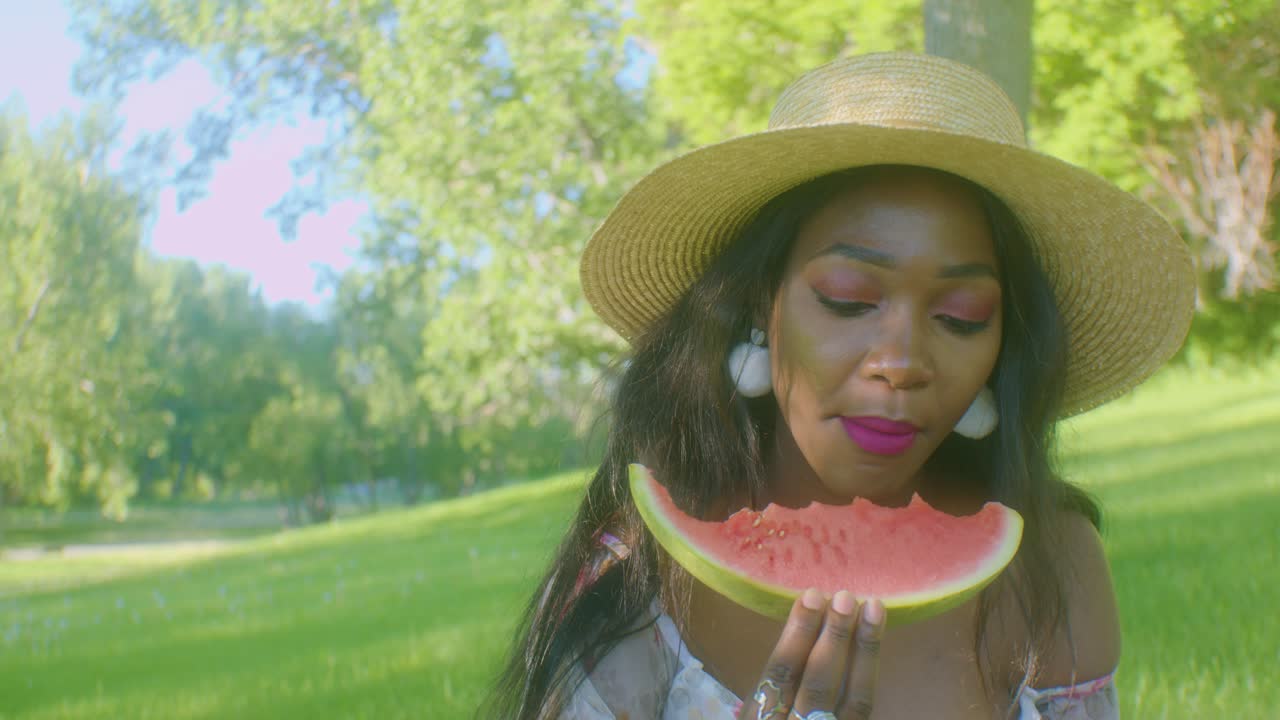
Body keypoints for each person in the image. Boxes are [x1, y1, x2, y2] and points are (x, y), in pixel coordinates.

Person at [482, 52, 1195, 719]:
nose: (902, 361)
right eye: (849, 300)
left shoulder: (1053, 562)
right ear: (760, 307)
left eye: (960, 316)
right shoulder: (637, 578)